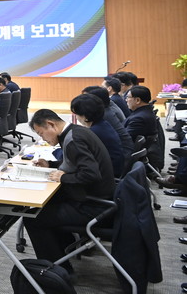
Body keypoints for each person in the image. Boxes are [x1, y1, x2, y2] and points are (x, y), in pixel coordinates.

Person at [23, 109, 115, 273]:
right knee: (45, 206)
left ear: (51, 124)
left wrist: (64, 178)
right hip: (96, 198)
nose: (42, 138)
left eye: (41, 133)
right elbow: (74, 164)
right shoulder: (75, 132)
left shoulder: (74, 140)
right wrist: (51, 165)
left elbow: (91, 174)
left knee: (33, 219)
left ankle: (58, 271)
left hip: (94, 206)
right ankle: (65, 251)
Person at [70, 94, 125, 177]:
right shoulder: (103, 124)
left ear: (85, 116)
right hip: (113, 169)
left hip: (106, 175)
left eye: (76, 114)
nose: (76, 117)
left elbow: (75, 158)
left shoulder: (93, 132)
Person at [81, 86, 134, 161]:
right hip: (121, 150)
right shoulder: (107, 107)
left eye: (86, 99)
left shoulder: (104, 114)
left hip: (122, 154)